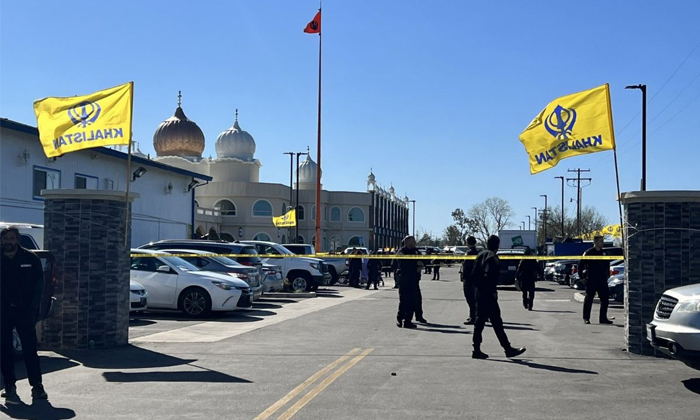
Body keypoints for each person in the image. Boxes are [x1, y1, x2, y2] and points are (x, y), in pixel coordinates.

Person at [1, 226, 48, 401]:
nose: (8, 242)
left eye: (12, 238)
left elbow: (39, 285)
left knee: (29, 350)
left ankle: (37, 387)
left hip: (24, 310)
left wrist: (32, 307)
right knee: (4, 351)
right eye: (6, 239)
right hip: (3, 311)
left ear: (17, 240)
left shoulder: (30, 258)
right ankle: (9, 386)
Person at [470, 235, 526, 359]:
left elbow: (473, 275)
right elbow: (488, 275)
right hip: (488, 294)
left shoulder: (480, 255)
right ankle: (507, 349)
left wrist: (479, 289)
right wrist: (492, 291)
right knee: (496, 321)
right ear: (498, 245)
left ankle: (476, 349)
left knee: (479, 322)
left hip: (478, 292)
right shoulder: (492, 257)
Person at [578, 235, 613, 325]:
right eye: (601, 241)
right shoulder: (588, 253)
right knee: (589, 299)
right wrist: (581, 277)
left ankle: (603, 318)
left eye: (602, 241)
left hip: (602, 280)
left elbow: (607, 264)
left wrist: (608, 274)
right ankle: (586, 318)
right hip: (591, 279)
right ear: (596, 242)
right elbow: (580, 265)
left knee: (605, 299)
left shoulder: (604, 253)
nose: (602, 243)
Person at [395, 236, 423, 329]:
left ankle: (408, 321)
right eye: (412, 241)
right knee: (404, 300)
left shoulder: (416, 251)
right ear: (407, 242)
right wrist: (416, 264)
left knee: (412, 300)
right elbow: (403, 263)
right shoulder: (401, 252)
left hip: (414, 279)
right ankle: (400, 319)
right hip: (404, 279)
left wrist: (420, 264)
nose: (414, 243)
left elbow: (423, 260)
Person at [461, 236, 479, 325]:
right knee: (474, 298)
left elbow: (467, 267)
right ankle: (476, 315)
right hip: (475, 278)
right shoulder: (477, 252)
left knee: (470, 298)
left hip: (469, 279)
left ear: (468, 243)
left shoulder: (470, 253)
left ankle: (473, 317)